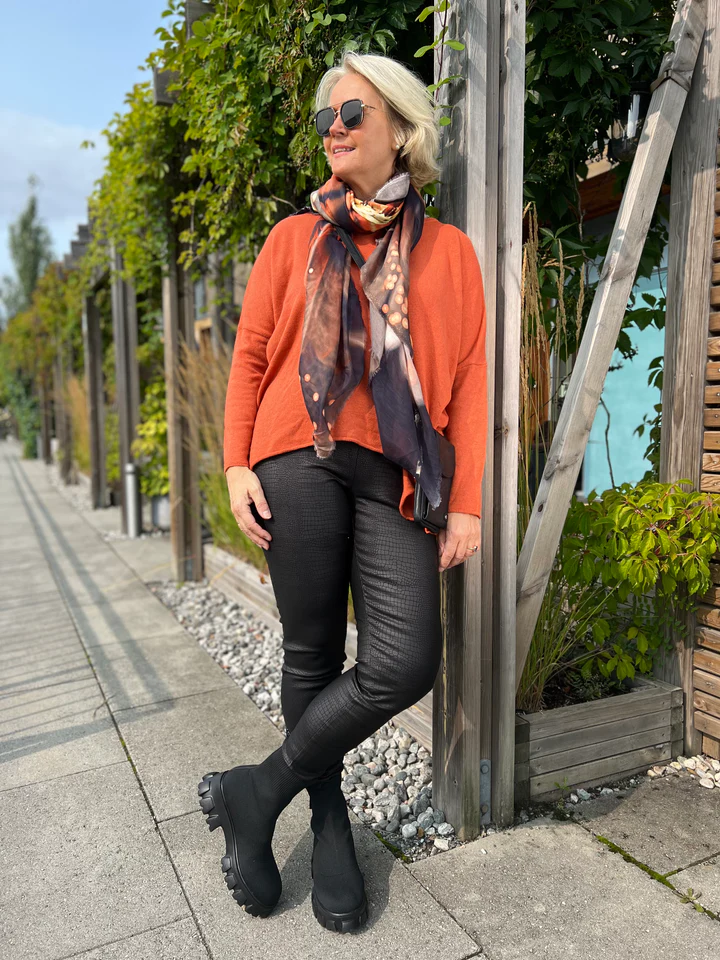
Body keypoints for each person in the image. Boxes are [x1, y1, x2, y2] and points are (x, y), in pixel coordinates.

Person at [198, 50, 488, 934]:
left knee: (405, 661)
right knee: (311, 653)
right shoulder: (294, 237)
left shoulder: (450, 252)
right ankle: (330, 826)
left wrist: (467, 501)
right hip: (298, 453)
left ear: (400, 127)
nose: (335, 126)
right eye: (328, 115)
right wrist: (236, 463)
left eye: (353, 112)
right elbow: (252, 354)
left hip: (398, 474)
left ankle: (257, 792)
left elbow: (471, 380)